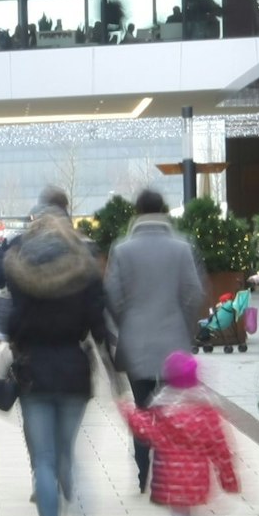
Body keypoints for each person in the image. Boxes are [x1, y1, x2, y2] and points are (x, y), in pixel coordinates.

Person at [5, 188, 110, 516]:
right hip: (73, 369)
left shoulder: (21, 268)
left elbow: (12, 324)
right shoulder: (83, 267)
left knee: (43, 463)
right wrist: (114, 371)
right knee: (70, 456)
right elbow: (98, 325)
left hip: (34, 372)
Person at [104, 189, 207, 494]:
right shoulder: (181, 248)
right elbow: (194, 293)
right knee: (169, 410)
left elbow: (112, 295)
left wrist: (126, 322)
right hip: (174, 342)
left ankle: (142, 470)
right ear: (163, 210)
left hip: (136, 343)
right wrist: (185, 328)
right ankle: (165, 469)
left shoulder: (122, 250)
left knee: (143, 407)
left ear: (136, 213)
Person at [120, 351, 239, 516]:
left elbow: (146, 432)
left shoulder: (162, 410)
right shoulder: (207, 412)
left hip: (172, 482)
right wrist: (229, 480)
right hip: (201, 481)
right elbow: (221, 448)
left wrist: (130, 412)